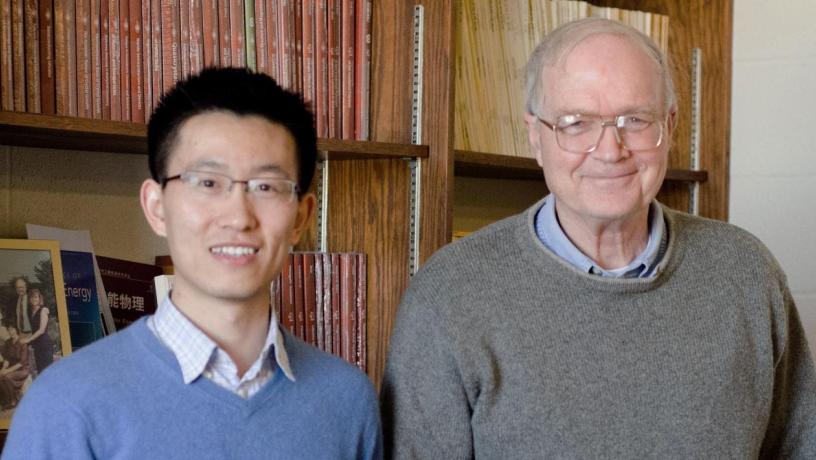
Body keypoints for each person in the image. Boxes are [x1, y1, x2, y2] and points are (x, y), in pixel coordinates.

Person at [381, 18, 816, 459]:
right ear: (535, 135)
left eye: (635, 119)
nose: (610, 150)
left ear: (670, 125)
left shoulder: (746, 274)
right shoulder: (451, 294)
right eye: (576, 123)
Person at [3, 68, 382, 459]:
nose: (238, 217)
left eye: (266, 187)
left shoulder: (347, 401)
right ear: (156, 207)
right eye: (207, 183)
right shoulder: (66, 405)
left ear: (301, 217)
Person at [19, 289, 53, 374]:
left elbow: (41, 330)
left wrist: (28, 339)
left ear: (39, 298)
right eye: (32, 297)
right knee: (40, 371)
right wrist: (24, 338)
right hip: (37, 345)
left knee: (47, 372)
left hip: (45, 345)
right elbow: (34, 330)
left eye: (36, 297)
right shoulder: (31, 312)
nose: (34, 299)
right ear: (29, 299)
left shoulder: (44, 310)